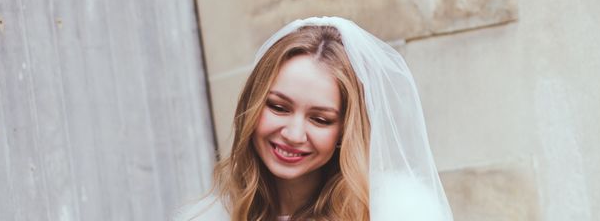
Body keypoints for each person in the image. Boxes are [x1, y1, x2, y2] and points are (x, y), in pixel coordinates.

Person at [175, 17, 453, 221]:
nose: (294, 135)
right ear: (252, 105)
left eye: (320, 119)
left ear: (345, 131)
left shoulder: (395, 212)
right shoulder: (213, 216)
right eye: (278, 107)